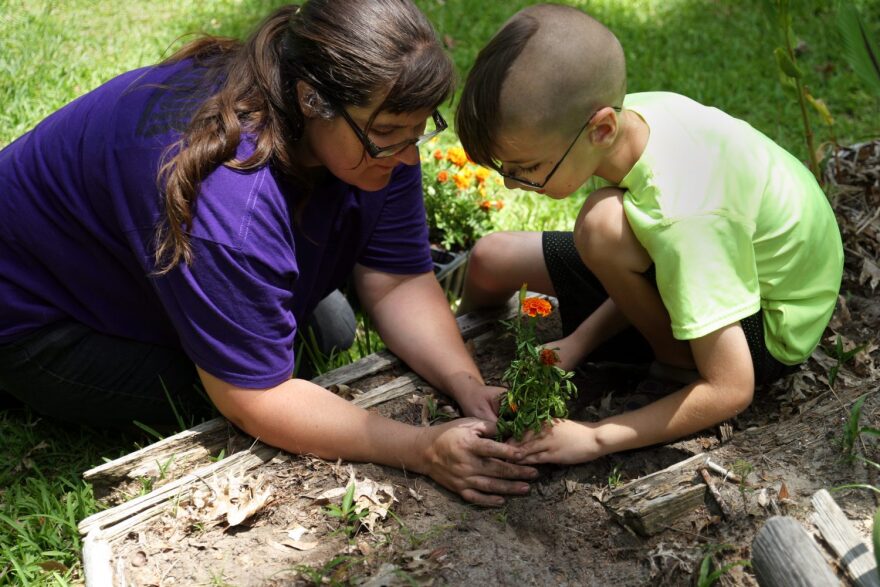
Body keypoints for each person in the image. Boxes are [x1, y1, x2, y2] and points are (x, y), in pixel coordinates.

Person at [0, 0, 538, 506]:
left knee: (327, 329)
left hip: (134, 265)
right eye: (390, 135)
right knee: (275, 369)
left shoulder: (370, 124)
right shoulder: (227, 199)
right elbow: (254, 397)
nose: (404, 154)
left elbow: (396, 277)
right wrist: (420, 449)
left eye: (417, 132)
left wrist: (466, 384)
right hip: (38, 320)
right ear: (312, 99)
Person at [455, 4, 843, 465]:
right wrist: (577, 342)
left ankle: (675, 369)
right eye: (506, 169)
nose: (512, 184)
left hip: (766, 329)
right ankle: (462, 347)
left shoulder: (687, 211)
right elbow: (669, 263)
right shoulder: (633, 119)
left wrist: (595, 437)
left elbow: (732, 389)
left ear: (600, 128)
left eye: (528, 169)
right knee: (492, 257)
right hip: (717, 268)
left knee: (601, 223)